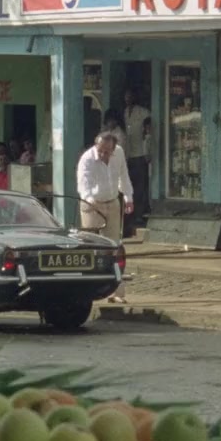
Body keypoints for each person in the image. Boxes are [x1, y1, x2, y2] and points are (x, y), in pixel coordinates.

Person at [76, 133, 132, 303]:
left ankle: (117, 291)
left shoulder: (119, 153)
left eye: (107, 152)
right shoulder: (87, 159)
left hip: (112, 202)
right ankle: (89, 290)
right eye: (100, 150)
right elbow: (83, 186)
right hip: (92, 204)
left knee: (114, 246)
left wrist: (128, 197)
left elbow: (123, 175)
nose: (103, 155)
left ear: (113, 149)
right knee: (92, 247)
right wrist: (91, 202)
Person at [121, 89, 152, 234]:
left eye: (130, 96)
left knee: (140, 187)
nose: (128, 99)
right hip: (128, 155)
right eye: (126, 96)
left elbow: (149, 129)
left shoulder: (143, 112)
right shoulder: (124, 112)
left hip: (140, 154)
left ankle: (139, 214)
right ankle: (131, 215)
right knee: (129, 187)